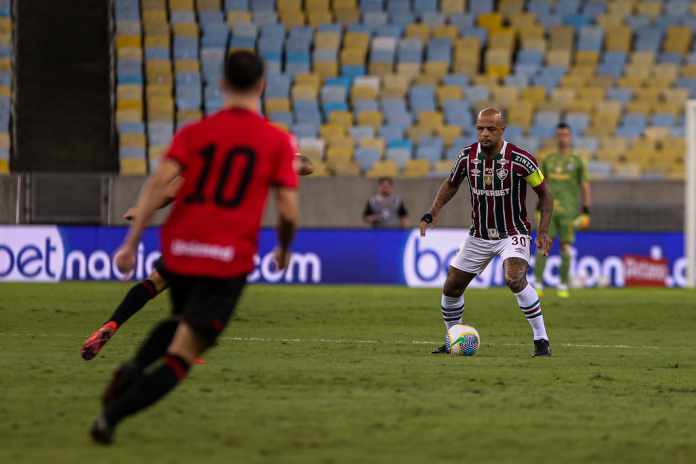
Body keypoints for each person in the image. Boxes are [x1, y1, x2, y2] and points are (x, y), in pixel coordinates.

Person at [89, 50, 299, 444]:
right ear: (262, 86)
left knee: (178, 320)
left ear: (221, 85)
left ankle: (134, 366)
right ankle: (112, 417)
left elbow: (157, 185)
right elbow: (288, 212)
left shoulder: (194, 133)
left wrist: (130, 243)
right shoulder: (275, 141)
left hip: (182, 248)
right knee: (185, 350)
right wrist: (284, 251)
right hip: (226, 258)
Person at [79, 154, 313, 361]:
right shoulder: (255, 159)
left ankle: (113, 323)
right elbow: (306, 166)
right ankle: (181, 348)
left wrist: (141, 210)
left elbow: (170, 191)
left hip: (188, 234)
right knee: (208, 298)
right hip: (222, 240)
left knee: (155, 282)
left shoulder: (206, 160)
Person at [419, 107, 554, 357]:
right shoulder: (467, 157)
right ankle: (453, 339)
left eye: (491, 129)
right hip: (479, 234)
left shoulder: (520, 159)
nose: (484, 134)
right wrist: (432, 212)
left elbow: (545, 194)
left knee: (514, 279)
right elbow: (451, 184)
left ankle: (541, 339)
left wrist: (543, 231)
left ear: (502, 130)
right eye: (480, 128)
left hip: (513, 232)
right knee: (451, 287)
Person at [534, 122, 591, 298]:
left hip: (569, 211)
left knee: (566, 246)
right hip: (549, 211)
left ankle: (563, 284)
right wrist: (538, 208)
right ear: (556, 137)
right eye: (559, 134)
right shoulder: (549, 160)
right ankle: (537, 284)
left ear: (570, 137)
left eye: (565, 134)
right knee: (543, 244)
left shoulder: (577, 160)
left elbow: (585, 185)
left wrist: (586, 211)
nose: (562, 137)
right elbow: (541, 185)